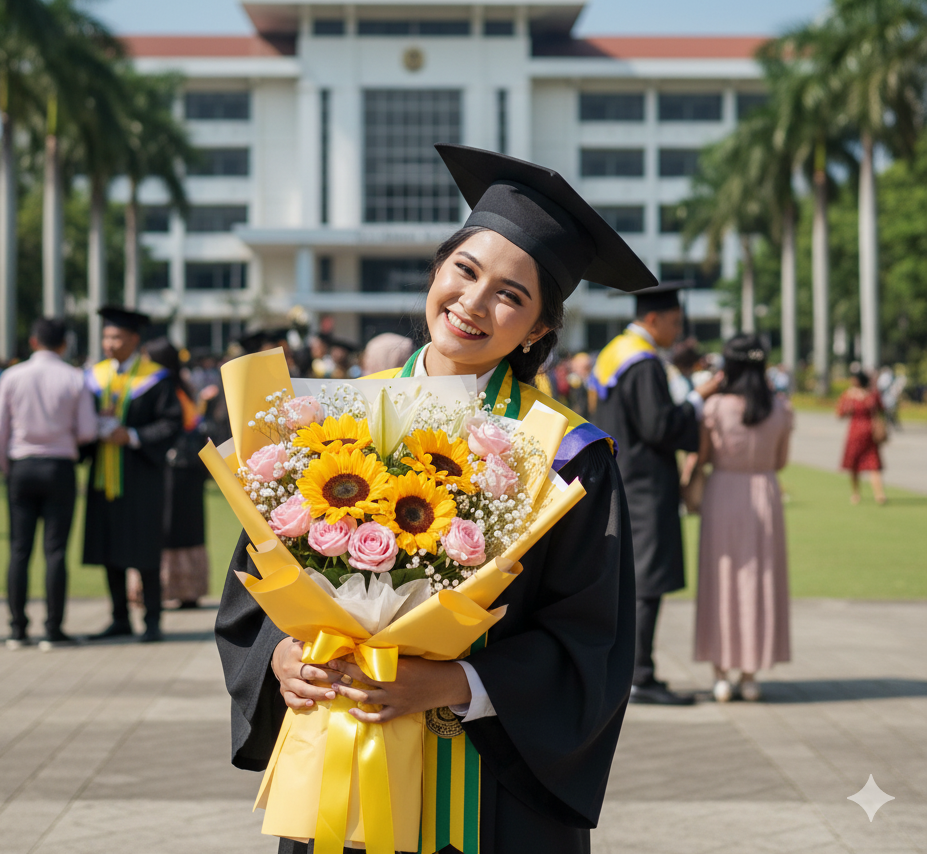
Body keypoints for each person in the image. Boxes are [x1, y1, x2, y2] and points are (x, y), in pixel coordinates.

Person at [215, 144, 657, 854]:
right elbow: (257, 585)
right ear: (436, 270)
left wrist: (455, 682)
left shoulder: (567, 456)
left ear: (540, 328)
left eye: (511, 295)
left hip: (492, 798)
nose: (474, 305)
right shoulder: (324, 419)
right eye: (465, 271)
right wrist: (280, 660)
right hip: (340, 768)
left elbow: (592, 641)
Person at [588, 283, 723, 705]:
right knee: (646, 581)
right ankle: (638, 674)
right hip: (646, 485)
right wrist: (697, 403)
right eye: (674, 322)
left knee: (631, 578)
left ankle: (630, 671)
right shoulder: (643, 363)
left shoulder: (614, 354)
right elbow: (660, 427)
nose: (678, 332)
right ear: (653, 319)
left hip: (621, 476)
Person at [687, 334, 793, 702]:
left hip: (723, 494)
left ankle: (721, 674)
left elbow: (701, 456)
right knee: (759, 581)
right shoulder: (780, 408)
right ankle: (750, 674)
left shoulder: (715, 407)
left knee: (722, 580)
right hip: (764, 494)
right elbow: (780, 462)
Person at [0, 317, 98, 648]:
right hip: (58, 465)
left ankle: (17, 628)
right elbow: (88, 431)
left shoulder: (11, 376)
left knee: (19, 549)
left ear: (33, 341)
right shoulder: (74, 377)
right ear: (64, 345)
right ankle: (53, 628)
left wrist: (5, 465)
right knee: (55, 551)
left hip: (22, 464)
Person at [83, 307, 183, 642]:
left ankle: (152, 620)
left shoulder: (155, 378)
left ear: (134, 340)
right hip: (102, 478)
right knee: (108, 547)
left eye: (116, 337)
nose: (109, 343)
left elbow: (171, 423)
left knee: (144, 549)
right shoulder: (93, 377)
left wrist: (133, 436)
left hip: (141, 476)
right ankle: (119, 618)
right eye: (106, 336)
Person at [144, 338, 212, 609]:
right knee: (186, 527)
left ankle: (168, 587)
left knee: (168, 526)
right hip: (188, 469)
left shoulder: (167, 388)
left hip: (173, 468)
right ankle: (186, 588)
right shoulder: (184, 386)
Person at [837, 369, 886, 505]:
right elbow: (840, 413)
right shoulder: (849, 395)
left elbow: (882, 409)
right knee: (853, 464)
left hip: (870, 433)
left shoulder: (872, 394)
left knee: (873, 463)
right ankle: (856, 492)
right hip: (854, 432)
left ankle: (879, 493)